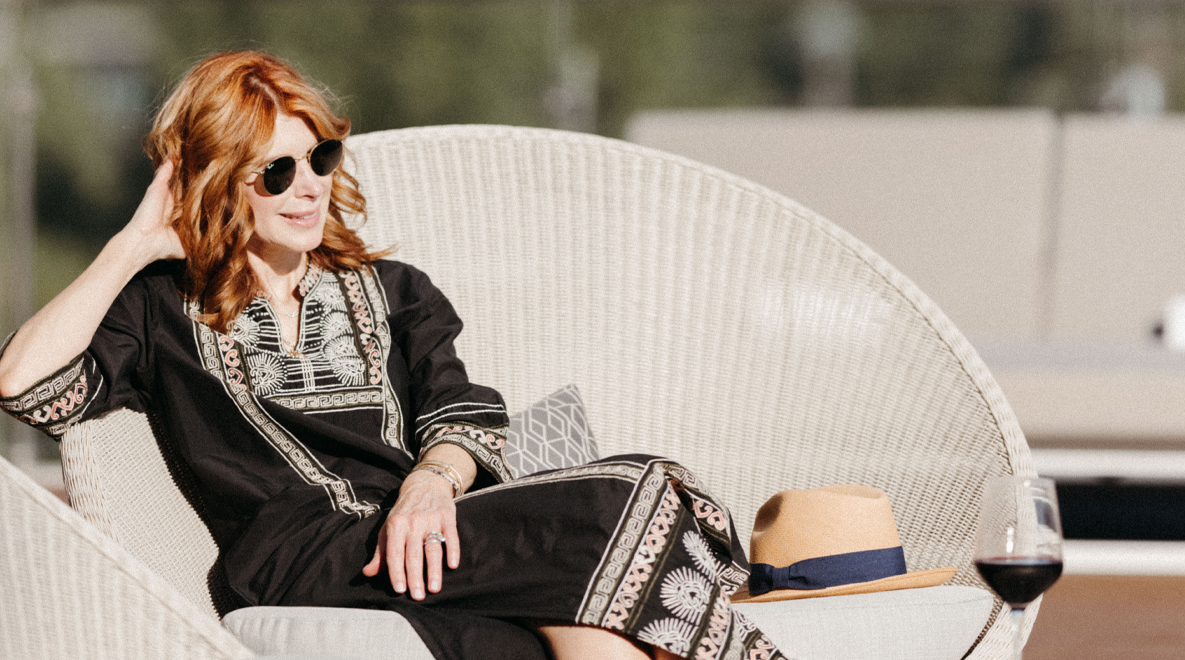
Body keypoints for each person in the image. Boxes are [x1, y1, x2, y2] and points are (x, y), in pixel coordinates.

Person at [0, 51, 785, 660]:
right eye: (277, 172)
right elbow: (21, 386)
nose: (309, 187)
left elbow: (461, 411)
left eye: (320, 158)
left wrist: (429, 486)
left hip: (421, 543)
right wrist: (133, 245)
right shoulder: (160, 308)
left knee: (592, 617)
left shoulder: (397, 291)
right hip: (299, 559)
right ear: (219, 184)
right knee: (624, 495)